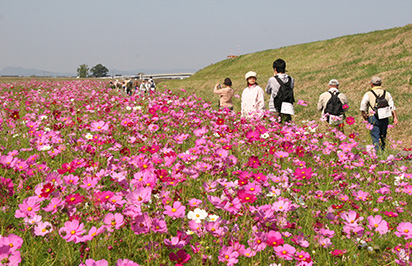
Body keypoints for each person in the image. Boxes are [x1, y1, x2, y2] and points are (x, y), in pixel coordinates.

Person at [360, 76, 398, 151]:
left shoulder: (368, 94)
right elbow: (392, 106)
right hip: (384, 116)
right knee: (383, 135)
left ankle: (377, 154)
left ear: (371, 84)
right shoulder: (387, 93)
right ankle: (383, 151)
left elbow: (362, 106)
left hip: (373, 116)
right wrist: (395, 117)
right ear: (380, 84)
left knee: (375, 136)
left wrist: (364, 115)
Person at [265, 59, 295, 123]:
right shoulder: (291, 79)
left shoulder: (272, 79)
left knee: (274, 129)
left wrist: (275, 76)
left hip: (275, 108)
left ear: (275, 69)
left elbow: (268, 91)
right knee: (287, 127)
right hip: (287, 108)